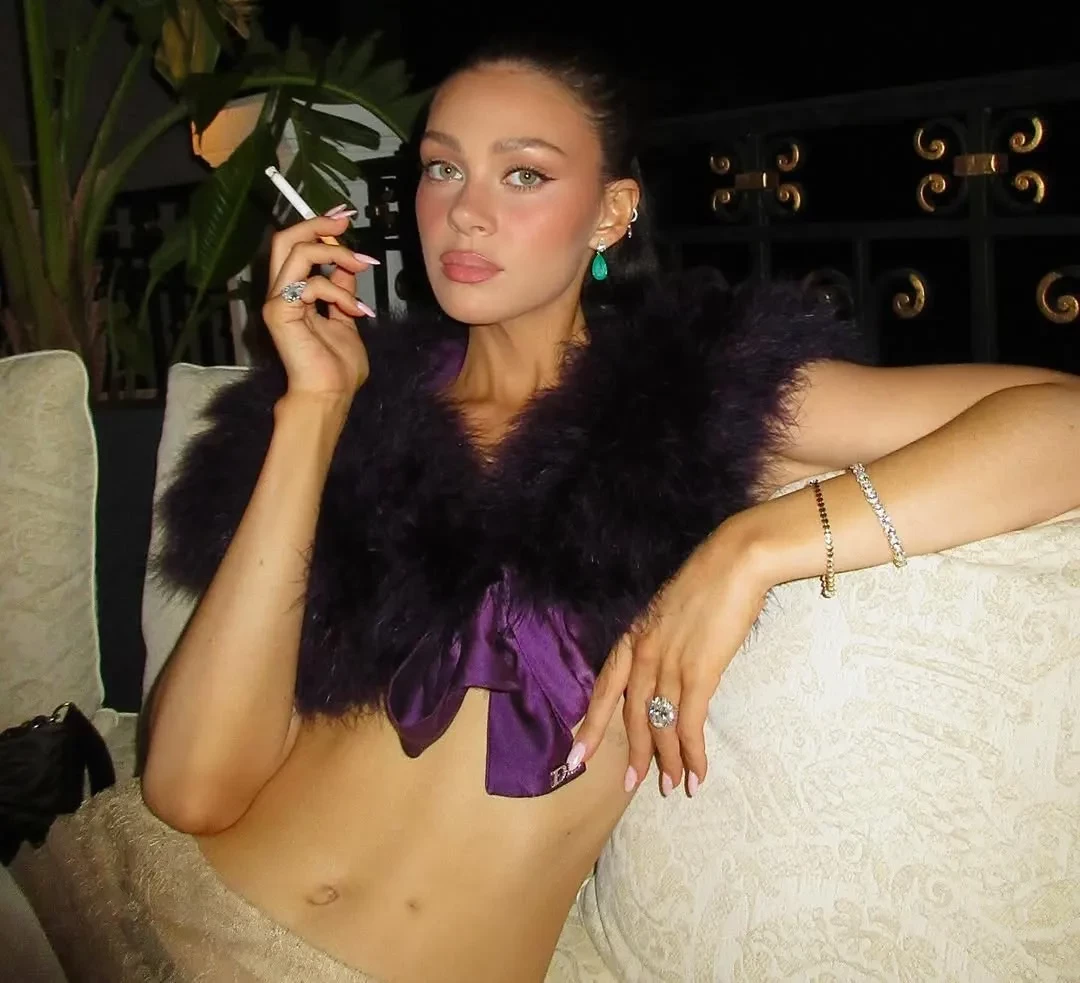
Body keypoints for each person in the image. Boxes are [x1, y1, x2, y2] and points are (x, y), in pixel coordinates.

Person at [12, 32, 1080, 983]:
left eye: (523, 173)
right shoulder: (368, 417)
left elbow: (1061, 423)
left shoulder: (696, 402)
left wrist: (752, 547)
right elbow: (191, 789)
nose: (465, 210)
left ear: (612, 210)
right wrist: (314, 410)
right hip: (136, 908)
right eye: (442, 168)